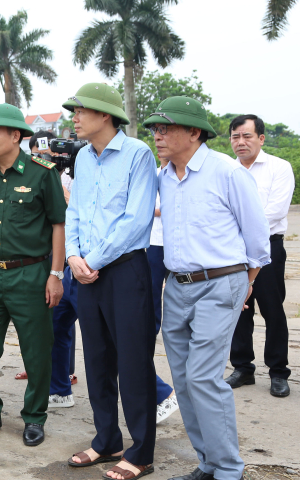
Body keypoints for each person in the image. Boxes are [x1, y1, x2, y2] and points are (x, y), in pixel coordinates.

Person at [145, 97, 270, 480]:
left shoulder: (226, 172)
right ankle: (208, 463)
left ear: (193, 132)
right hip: (176, 287)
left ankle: (229, 469)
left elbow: (257, 238)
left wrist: (246, 284)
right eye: (155, 130)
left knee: (202, 377)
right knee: (184, 381)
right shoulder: (164, 176)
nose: (157, 136)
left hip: (220, 282)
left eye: (165, 129)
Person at [63, 83, 158, 480]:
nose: (74, 118)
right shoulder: (83, 157)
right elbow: (74, 211)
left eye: (80, 111)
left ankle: (141, 452)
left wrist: (91, 260)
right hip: (86, 271)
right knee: (97, 359)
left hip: (125, 270)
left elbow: (136, 220)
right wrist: (73, 257)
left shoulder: (138, 154)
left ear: (105, 114)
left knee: (133, 361)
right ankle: (107, 440)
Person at [0, 104, 67, 447]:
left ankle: (34, 416)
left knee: (36, 350)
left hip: (31, 273)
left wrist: (56, 274)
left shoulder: (42, 173)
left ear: (15, 135)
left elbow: (58, 225)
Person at [227, 114, 294, 398]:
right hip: (232, 252)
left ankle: (278, 372)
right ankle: (243, 368)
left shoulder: (279, 168)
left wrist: (240, 230)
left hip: (268, 248)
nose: (240, 142)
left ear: (261, 138)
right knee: (238, 309)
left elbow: (275, 211)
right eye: (235, 137)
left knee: (272, 310)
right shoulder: (226, 169)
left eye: (247, 136)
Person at [17, 130, 80, 408]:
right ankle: (59, 388)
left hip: (82, 260)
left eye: (47, 154)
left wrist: (58, 186)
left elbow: (75, 211)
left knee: (104, 334)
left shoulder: (75, 173)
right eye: (36, 154)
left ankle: (159, 393)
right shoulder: (35, 176)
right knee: (56, 325)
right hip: (54, 259)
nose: (41, 158)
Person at [146, 157, 180, 424]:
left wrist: (155, 210)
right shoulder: (154, 173)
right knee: (149, 311)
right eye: (157, 138)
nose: (160, 142)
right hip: (153, 243)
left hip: (180, 244)